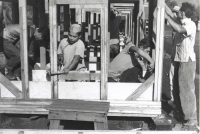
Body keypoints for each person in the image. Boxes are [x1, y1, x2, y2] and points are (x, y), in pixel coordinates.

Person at [165, 2, 197, 126]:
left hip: (187, 61)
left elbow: (179, 29)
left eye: (179, 11)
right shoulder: (182, 21)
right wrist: (162, 4)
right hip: (179, 59)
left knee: (187, 89)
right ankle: (180, 111)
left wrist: (167, 18)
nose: (176, 13)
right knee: (177, 87)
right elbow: (169, 13)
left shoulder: (191, 25)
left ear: (183, 13)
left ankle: (192, 118)